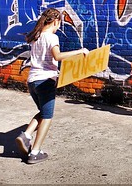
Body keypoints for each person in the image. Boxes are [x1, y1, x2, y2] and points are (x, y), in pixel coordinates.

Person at [15, 8, 89, 164]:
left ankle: (26, 135)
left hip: (32, 82)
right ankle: (35, 152)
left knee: (42, 112)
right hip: (45, 82)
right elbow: (58, 56)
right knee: (47, 117)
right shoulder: (52, 37)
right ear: (55, 21)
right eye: (58, 25)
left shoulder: (36, 37)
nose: (58, 28)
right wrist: (79, 51)